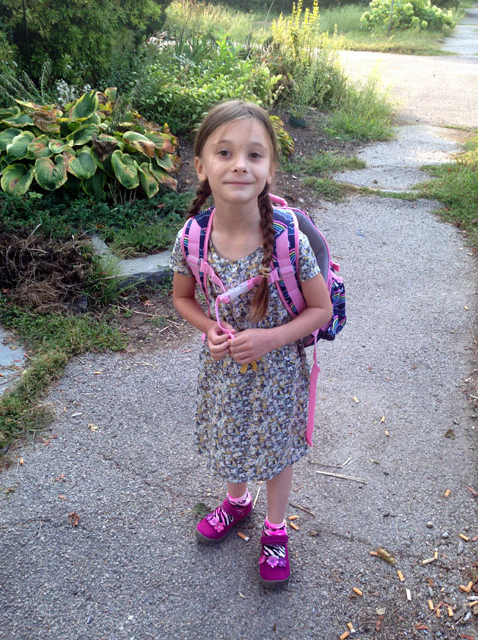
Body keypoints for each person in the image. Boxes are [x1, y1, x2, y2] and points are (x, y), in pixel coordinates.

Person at [169, 100, 332, 587]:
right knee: (231, 438)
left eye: (254, 155)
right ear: (201, 166)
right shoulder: (192, 238)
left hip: (278, 374)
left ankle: (276, 530)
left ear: (270, 170)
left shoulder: (286, 240)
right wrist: (208, 329)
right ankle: (237, 502)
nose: (240, 164)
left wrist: (270, 339)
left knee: (276, 452)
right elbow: (182, 298)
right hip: (223, 371)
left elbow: (320, 310)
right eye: (224, 152)